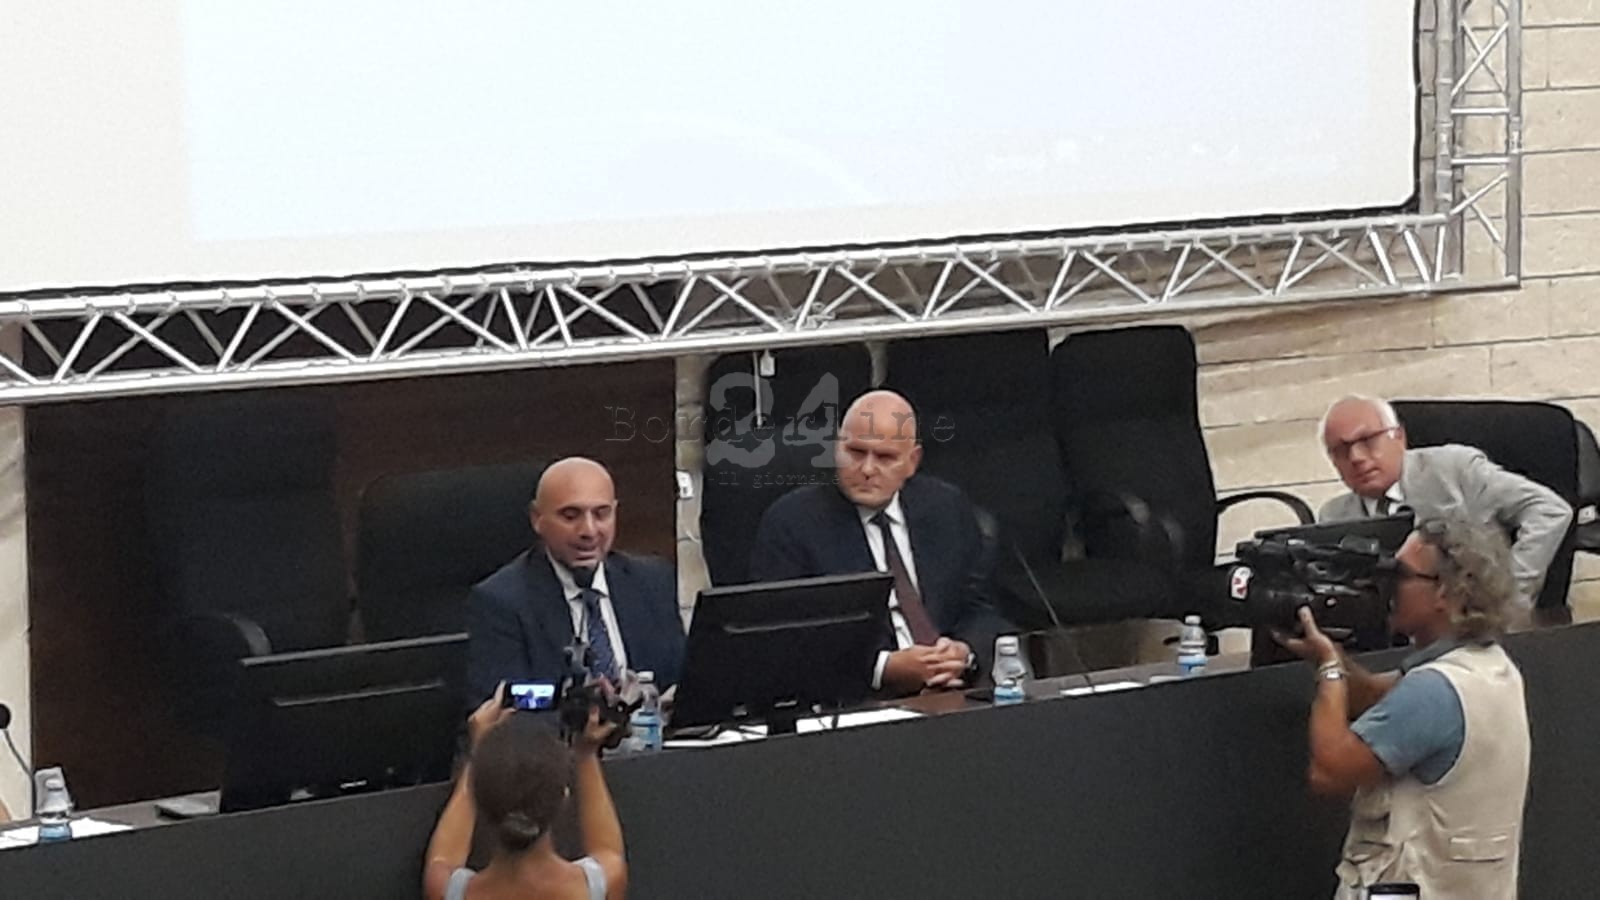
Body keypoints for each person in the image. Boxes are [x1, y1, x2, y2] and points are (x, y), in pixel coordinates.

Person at [1276, 517, 1530, 899]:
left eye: (1399, 575)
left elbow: (1329, 771)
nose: (1387, 586)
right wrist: (1324, 652)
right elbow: (1378, 698)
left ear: (1446, 590)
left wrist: (1329, 669)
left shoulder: (1432, 692)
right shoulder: (1492, 669)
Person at [748, 389, 1013, 695]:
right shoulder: (793, 523)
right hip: (856, 700)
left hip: (953, 691)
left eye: (885, 457)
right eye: (855, 452)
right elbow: (783, 640)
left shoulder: (946, 507)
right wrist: (883, 668)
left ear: (912, 461)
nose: (867, 469)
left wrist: (963, 652)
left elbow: (980, 606)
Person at [1318, 395, 1572, 609]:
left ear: (1399, 437)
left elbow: (1551, 511)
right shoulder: (1334, 517)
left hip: (1471, 627)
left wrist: (1511, 596)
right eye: (1340, 450)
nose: (1356, 457)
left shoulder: (1454, 471)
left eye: (1368, 441)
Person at [467, 457, 685, 706]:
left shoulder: (653, 581)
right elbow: (504, 705)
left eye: (601, 514)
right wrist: (581, 708)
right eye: (571, 516)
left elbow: (682, 679)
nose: (589, 531)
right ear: (537, 519)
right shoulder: (502, 602)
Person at [423, 687, 627, 900]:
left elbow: (441, 859)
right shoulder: (602, 884)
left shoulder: (447, 891)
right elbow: (609, 851)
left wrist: (478, 749)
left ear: (479, 799)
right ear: (563, 797)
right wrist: (586, 754)